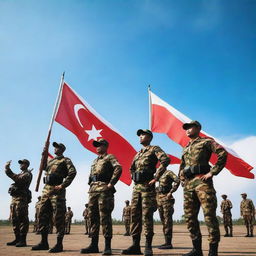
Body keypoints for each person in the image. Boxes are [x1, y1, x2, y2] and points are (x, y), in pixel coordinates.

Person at [179, 121, 227, 256]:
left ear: (198, 128)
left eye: (190, 127)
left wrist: (212, 172)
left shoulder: (206, 142)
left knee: (209, 216)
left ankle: (213, 251)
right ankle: (196, 250)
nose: (188, 130)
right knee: (190, 217)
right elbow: (182, 166)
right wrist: (182, 178)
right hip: (189, 186)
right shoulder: (185, 147)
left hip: (203, 183)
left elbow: (222, 153)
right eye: (186, 128)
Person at [122, 129, 170, 256]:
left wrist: (156, 177)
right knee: (135, 216)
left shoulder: (154, 149)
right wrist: (134, 176)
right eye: (139, 135)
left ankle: (148, 246)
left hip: (147, 188)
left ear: (149, 137)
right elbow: (131, 167)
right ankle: (135, 246)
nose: (140, 137)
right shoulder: (138, 154)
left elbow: (165, 160)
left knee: (147, 216)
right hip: (136, 189)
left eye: (143, 135)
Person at [32, 142, 76, 253]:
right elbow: (43, 169)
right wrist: (44, 157)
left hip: (57, 192)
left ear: (62, 149)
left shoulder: (65, 160)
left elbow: (73, 172)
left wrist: (62, 185)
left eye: (57, 147)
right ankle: (44, 242)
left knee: (58, 218)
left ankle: (59, 244)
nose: (55, 148)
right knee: (42, 216)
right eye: (54, 147)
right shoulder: (51, 161)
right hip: (46, 191)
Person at [80, 138, 122, 255]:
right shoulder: (94, 161)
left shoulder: (110, 157)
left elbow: (118, 168)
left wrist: (111, 183)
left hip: (104, 190)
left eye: (99, 145)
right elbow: (91, 176)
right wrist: (91, 184)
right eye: (96, 145)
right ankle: (93, 245)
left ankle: (107, 247)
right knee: (93, 217)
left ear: (105, 146)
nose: (97, 147)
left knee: (105, 217)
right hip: (93, 191)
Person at [5, 159, 33, 247]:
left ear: (27, 165)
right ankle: (17, 239)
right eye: (20, 163)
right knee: (14, 219)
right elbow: (15, 177)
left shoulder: (27, 174)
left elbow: (17, 179)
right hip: (14, 198)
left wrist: (7, 169)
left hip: (21, 199)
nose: (20, 165)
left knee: (22, 219)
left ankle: (23, 240)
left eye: (22, 163)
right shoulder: (21, 173)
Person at [156, 169, 180, 249]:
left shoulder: (168, 172)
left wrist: (171, 191)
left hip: (167, 198)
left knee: (167, 221)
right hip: (159, 199)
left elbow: (177, 180)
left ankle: (169, 243)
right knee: (163, 221)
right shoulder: (158, 174)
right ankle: (166, 241)